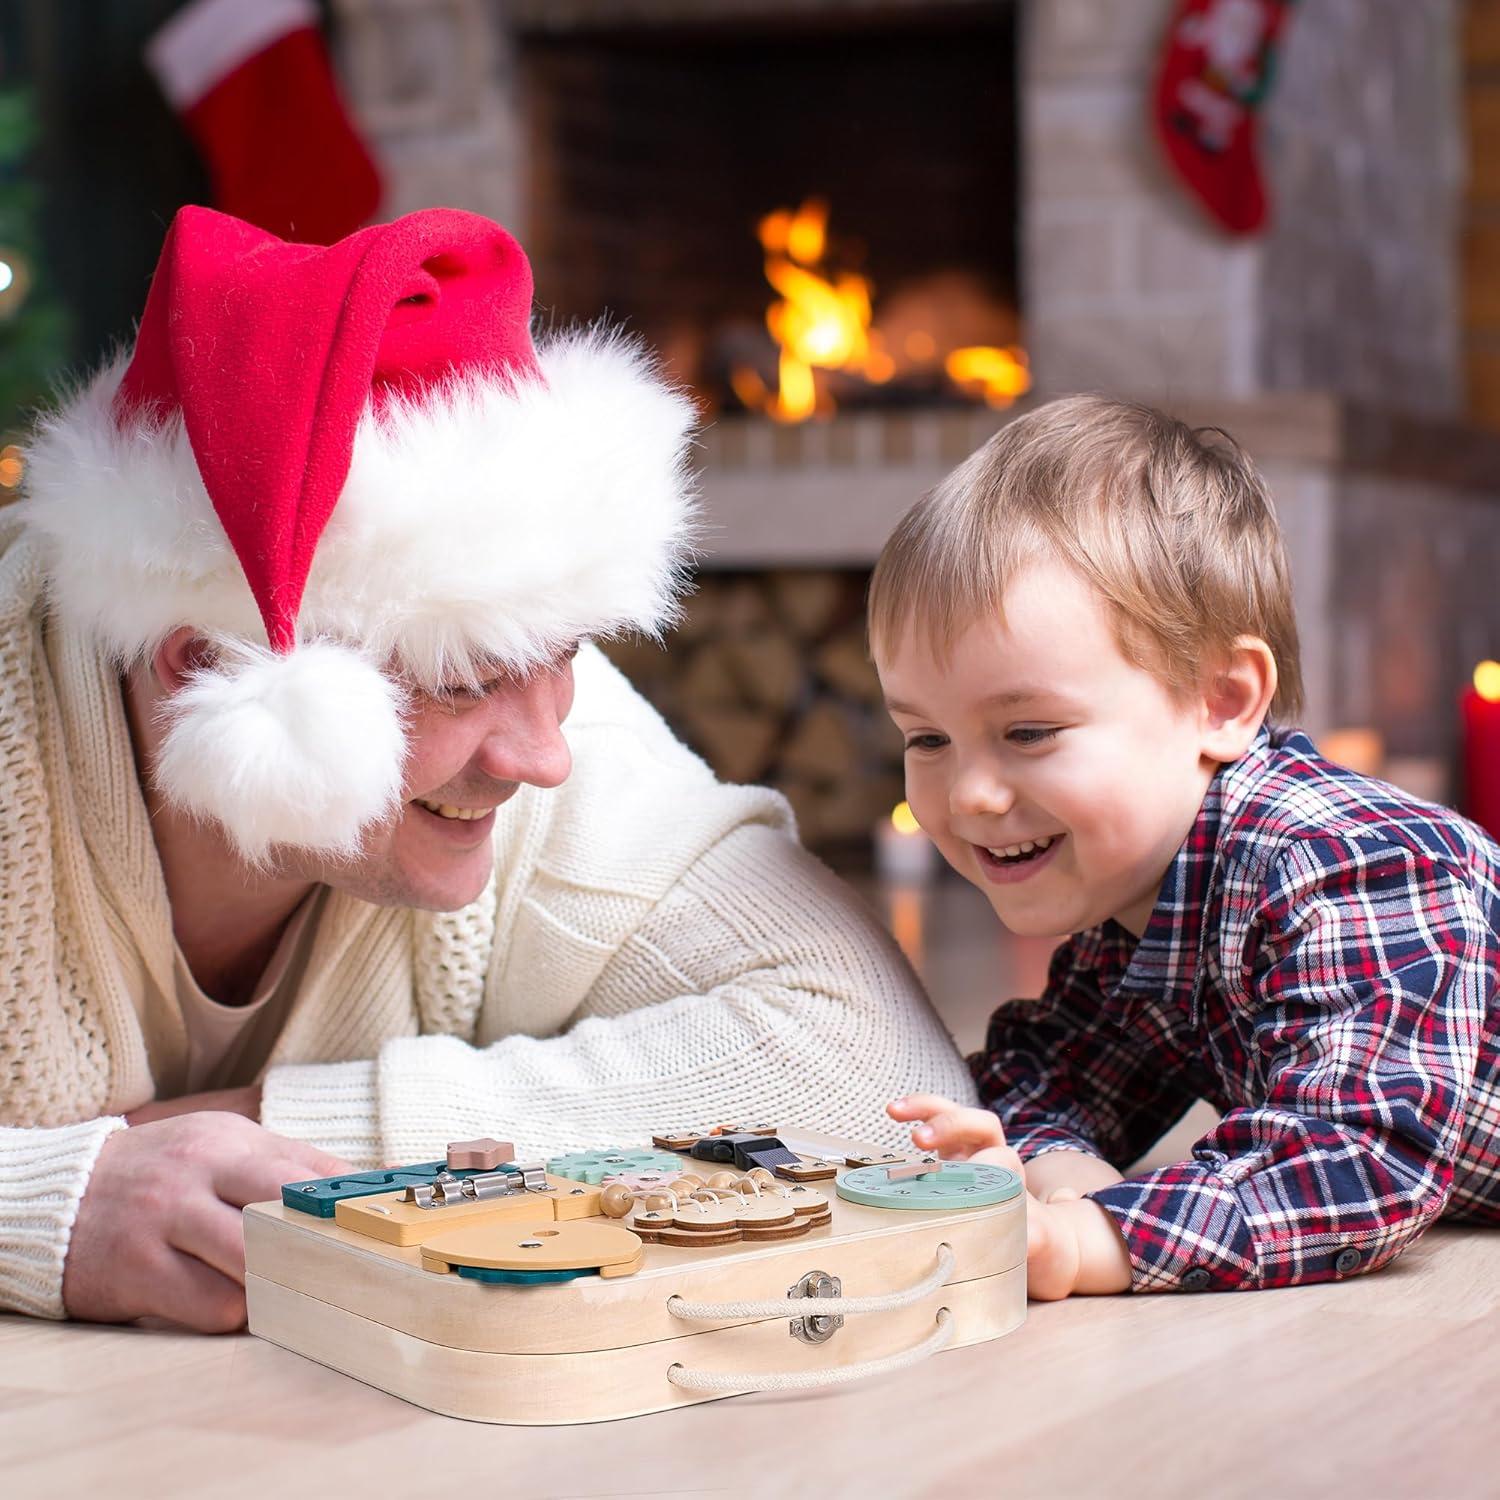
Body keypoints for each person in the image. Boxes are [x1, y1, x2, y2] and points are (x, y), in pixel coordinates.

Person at [0, 205, 973, 1330]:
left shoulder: (526, 679)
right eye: (461, 683)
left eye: (559, 657)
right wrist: (48, 1209)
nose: (544, 756)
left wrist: (286, 1139)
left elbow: (878, 1080)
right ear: (207, 667)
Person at [869, 395, 1500, 1301]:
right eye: (927, 739)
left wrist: (1091, 1242)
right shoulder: (1137, 907)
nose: (969, 793)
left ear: (1222, 702)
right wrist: (1053, 1176)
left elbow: (1355, 1158)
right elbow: (1038, 1073)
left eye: (1031, 731)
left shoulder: (1351, 866)